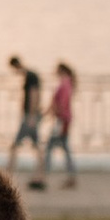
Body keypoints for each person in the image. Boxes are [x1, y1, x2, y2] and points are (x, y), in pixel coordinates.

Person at [4, 57, 43, 184]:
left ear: (16, 66)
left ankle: (8, 175)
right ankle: (39, 176)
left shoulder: (30, 76)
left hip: (29, 117)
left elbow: (34, 95)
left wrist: (31, 116)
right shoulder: (30, 75)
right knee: (36, 146)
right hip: (31, 116)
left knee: (15, 145)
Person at [42, 61, 78, 192]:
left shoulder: (65, 83)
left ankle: (44, 177)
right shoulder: (67, 83)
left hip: (61, 121)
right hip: (62, 120)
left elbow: (62, 103)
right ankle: (71, 177)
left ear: (61, 70)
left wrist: (56, 115)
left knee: (50, 148)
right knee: (64, 149)